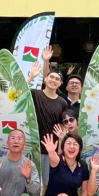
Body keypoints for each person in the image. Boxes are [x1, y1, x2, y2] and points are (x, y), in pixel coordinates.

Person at [30, 58, 70, 186]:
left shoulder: (62, 102)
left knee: (47, 184)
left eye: (57, 79)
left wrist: (60, 144)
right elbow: (18, 94)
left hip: (51, 148)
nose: (53, 80)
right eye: (51, 77)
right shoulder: (35, 94)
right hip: (33, 146)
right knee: (31, 182)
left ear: (60, 83)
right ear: (45, 79)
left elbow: (63, 125)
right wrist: (31, 76)